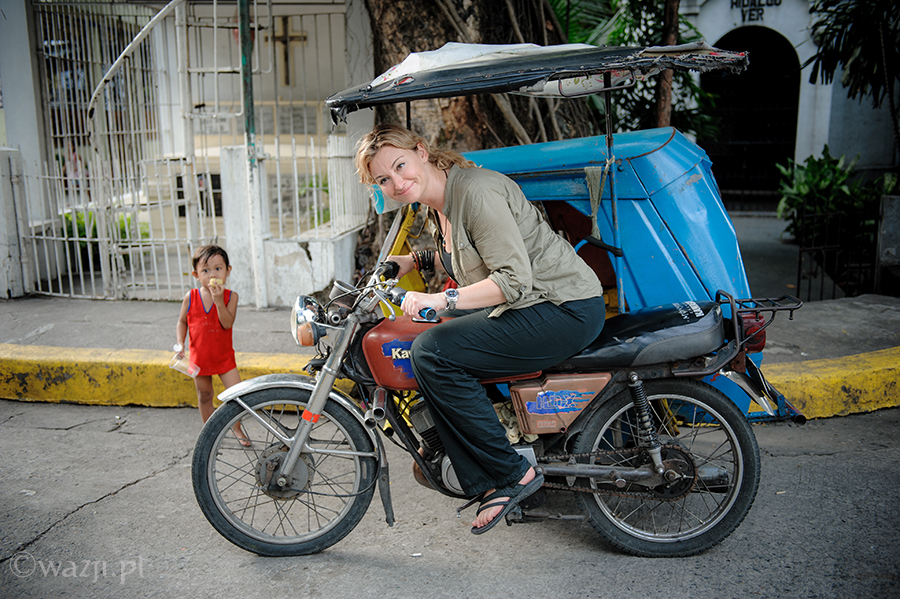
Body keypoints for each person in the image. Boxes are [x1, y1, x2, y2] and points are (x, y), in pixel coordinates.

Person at [355, 124, 606, 534]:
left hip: (563, 307)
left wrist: (441, 300)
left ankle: (511, 474)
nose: (396, 183)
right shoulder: (439, 202)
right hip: (529, 304)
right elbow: (465, 255)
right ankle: (488, 442)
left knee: (432, 351)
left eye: (400, 166)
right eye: (383, 179)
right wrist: (412, 262)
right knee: (428, 340)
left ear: (421, 151)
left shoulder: (476, 193)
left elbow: (512, 280)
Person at [175, 245, 249, 447]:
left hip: (224, 358)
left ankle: (237, 429)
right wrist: (180, 343)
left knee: (237, 395)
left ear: (228, 270)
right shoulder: (190, 297)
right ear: (196, 275)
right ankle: (210, 433)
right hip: (199, 358)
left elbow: (227, 323)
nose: (212, 275)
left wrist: (218, 301)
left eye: (218, 269)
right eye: (206, 270)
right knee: (205, 395)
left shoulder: (231, 297)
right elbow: (182, 322)